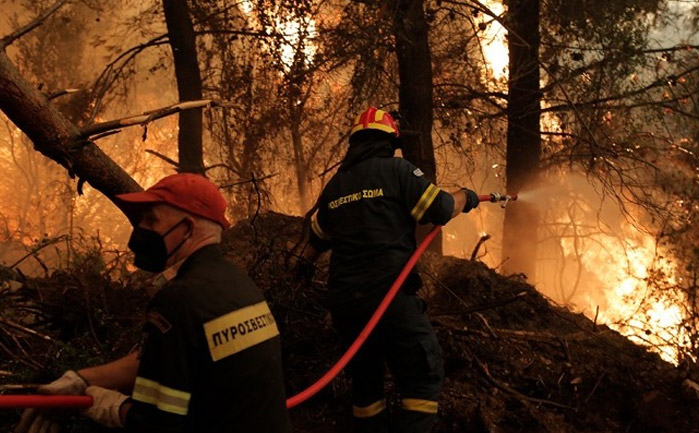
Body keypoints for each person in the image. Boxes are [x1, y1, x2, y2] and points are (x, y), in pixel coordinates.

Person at [16, 173, 291, 433]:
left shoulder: (179, 301)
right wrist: (82, 380)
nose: (140, 231)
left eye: (151, 220)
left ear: (186, 228)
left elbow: (156, 424)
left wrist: (105, 405)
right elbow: (173, 357)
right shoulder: (238, 285)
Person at [298, 107, 480, 433]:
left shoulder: (335, 187)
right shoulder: (397, 170)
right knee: (423, 377)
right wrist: (465, 197)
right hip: (389, 298)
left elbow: (316, 239)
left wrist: (301, 270)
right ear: (388, 142)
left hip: (346, 305)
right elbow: (438, 208)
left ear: (354, 143)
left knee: (366, 387)